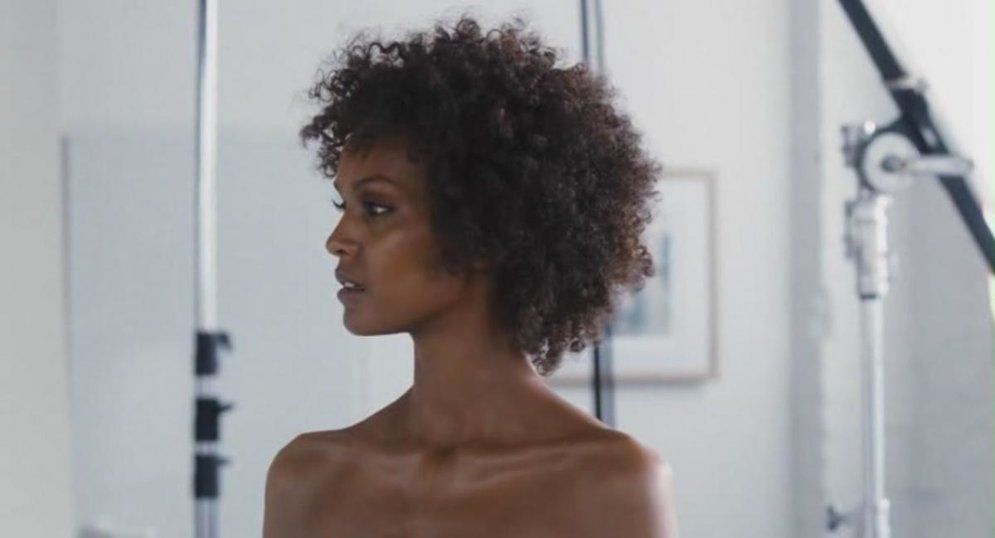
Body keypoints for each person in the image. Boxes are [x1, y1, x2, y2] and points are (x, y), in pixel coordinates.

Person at [263, 12, 679, 537]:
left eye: (377, 208)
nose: (337, 240)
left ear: (484, 228)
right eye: (343, 205)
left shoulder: (609, 483)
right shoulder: (309, 478)